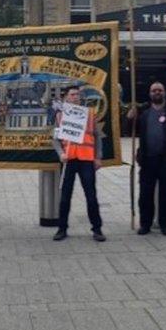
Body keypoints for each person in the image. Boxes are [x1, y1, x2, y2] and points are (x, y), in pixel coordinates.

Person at [127, 82, 166, 235]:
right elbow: (130, 130)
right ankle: (145, 224)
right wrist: (130, 118)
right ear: (150, 93)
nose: (157, 92)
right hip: (147, 159)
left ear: (164, 92)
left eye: (160, 90)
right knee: (145, 194)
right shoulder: (142, 111)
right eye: (154, 90)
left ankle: (165, 224)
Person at [52, 86, 105, 242]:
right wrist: (60, 153)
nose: (76, 97)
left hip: (87, 160)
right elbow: (54, 138)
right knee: (64, 197)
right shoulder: (60, 116)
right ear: (66, 98)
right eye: (72, 94)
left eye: (78, 95)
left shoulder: (89, 115)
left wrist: (98, 157)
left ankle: (97, 229)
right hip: (68, 159)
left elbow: (97, 137)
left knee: (91, 196)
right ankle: (62, 229)